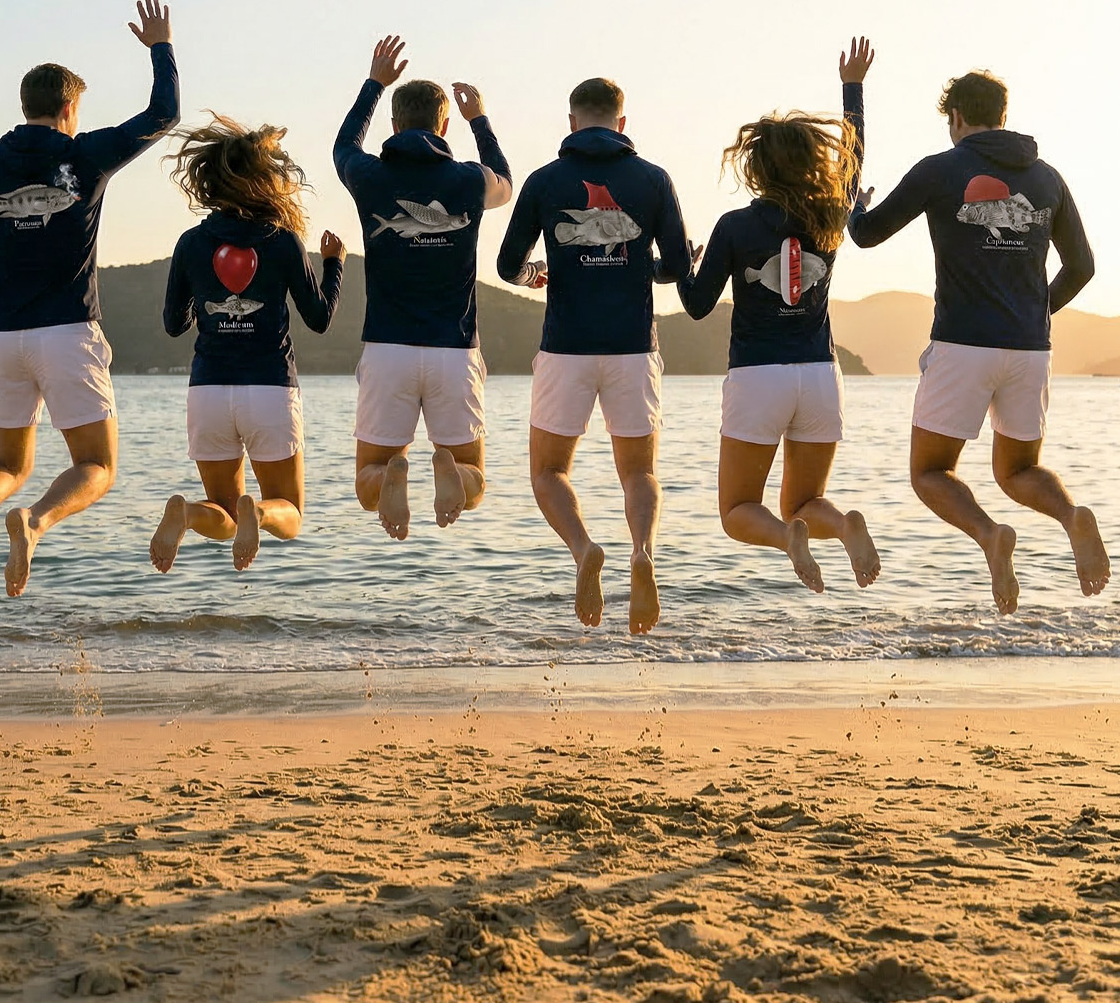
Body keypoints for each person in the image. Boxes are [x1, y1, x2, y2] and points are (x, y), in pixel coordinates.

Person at [0, 0, 180, 610]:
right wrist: (161, 47)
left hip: (4, 337)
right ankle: (36, 523)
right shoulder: (85, 155)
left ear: (25, 106)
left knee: (6, 464)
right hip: (68, 333)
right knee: (96, 465)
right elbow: (164, 113)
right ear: (70, 108)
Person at [849, 68, 1106, 613]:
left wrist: (856, 200)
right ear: (1004, 117)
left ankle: (990, 536)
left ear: (957, 117)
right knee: (1018, 470)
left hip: (962, 344)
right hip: (1030, 348)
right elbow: (1082, 266)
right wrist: (1036, 311)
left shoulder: (941, 169)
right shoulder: (1048, 178)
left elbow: (867, 235)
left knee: (930, 472)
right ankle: (1070, 516)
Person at [678, 39, 879, 593]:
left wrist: (683, 266)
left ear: (756, 167)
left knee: (739, 508)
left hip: (758, 376)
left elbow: (696, 307)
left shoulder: (734, 226)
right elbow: (854, 161)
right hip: (819, 375)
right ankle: (838, 525)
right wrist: (853, 88)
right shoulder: (832, 217)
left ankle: (786, 537)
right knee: (808, 500)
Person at [497, 77, 691, 633]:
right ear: (622, 124)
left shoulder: (543, 181)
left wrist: (539, 272)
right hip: (633, 346)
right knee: (639, 472)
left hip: (566, 346)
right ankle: (643, 553)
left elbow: (509, 265)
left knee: (549, 471)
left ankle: (584, 550)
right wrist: (640, 268)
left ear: (572, 122)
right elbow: (677, 268)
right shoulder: (654, 179)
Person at [333, 35, 513, 539]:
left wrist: (373, 83)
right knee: (474, 478)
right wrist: (480, 119)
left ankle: (391, 477)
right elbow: (505, 176)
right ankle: (452, 474)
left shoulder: (368, 175)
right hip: (453, 350)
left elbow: (343, 146)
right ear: (444, 126)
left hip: (387, 347)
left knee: (367, 480)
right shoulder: (470, 180)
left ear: (394, 126)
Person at [151, 118, 345, 571]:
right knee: (290, 512)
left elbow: (173, 325)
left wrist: (210, 300)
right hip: (269, 388)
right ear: (265, 180)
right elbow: (318, 319)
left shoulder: (191, 243)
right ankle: (257, 511)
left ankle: (188, 514)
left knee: (220, 511)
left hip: (209, 392)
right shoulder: (282, 242)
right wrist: (334, 265)